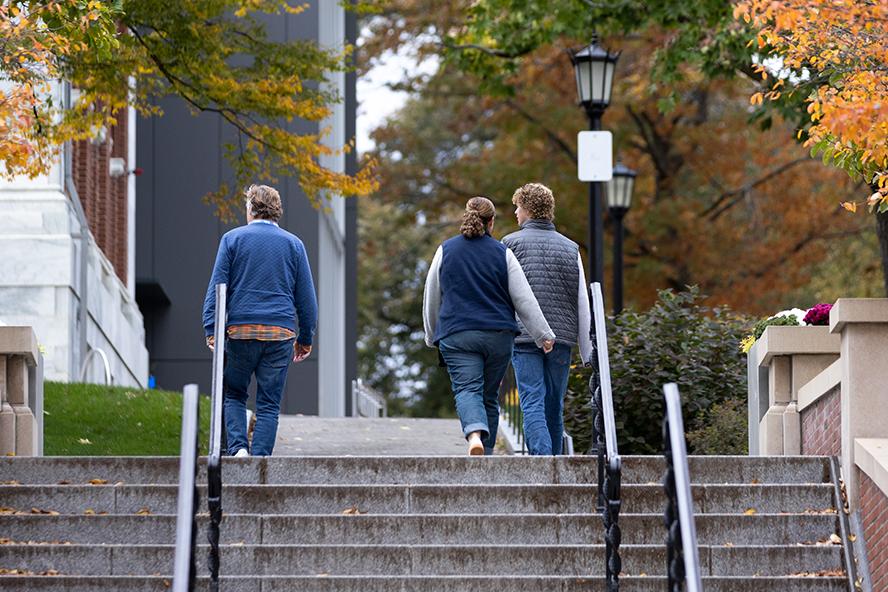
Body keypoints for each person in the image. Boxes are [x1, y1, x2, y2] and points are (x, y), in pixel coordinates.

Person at [423, 196, 556, 456]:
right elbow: (523, 298)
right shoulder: (502, 253)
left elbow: (431, 295)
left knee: (467, 389)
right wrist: (543, 334)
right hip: (498, 335)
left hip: (458, 334)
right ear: (492, 222)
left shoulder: (445, 250)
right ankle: (488, 455)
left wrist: (431, 334)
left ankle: (474, 436)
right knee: (489, 396)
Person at [202, 184, 317, 457]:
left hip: (240, 331)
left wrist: (211, 329)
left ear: (252, 208)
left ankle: (239, 449)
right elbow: (307, 299)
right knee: (268, 404)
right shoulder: (294, 245)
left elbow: (217, 289)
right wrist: (305, 338)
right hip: (280, 334)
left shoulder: (232, 239)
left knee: (234, 394)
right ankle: (261, 459)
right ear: (276, 211)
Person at [502, 182, 593, 456]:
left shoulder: (510, 244)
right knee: (554, 404)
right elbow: (582, 300)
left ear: (528, 209)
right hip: (562, 337)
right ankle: (557, 464)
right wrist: (586, 349)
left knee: (532, 400)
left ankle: (542, 462)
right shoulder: (570, 248)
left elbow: (501, 292)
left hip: (524, 336)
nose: (515, 213)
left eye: (518, 207)